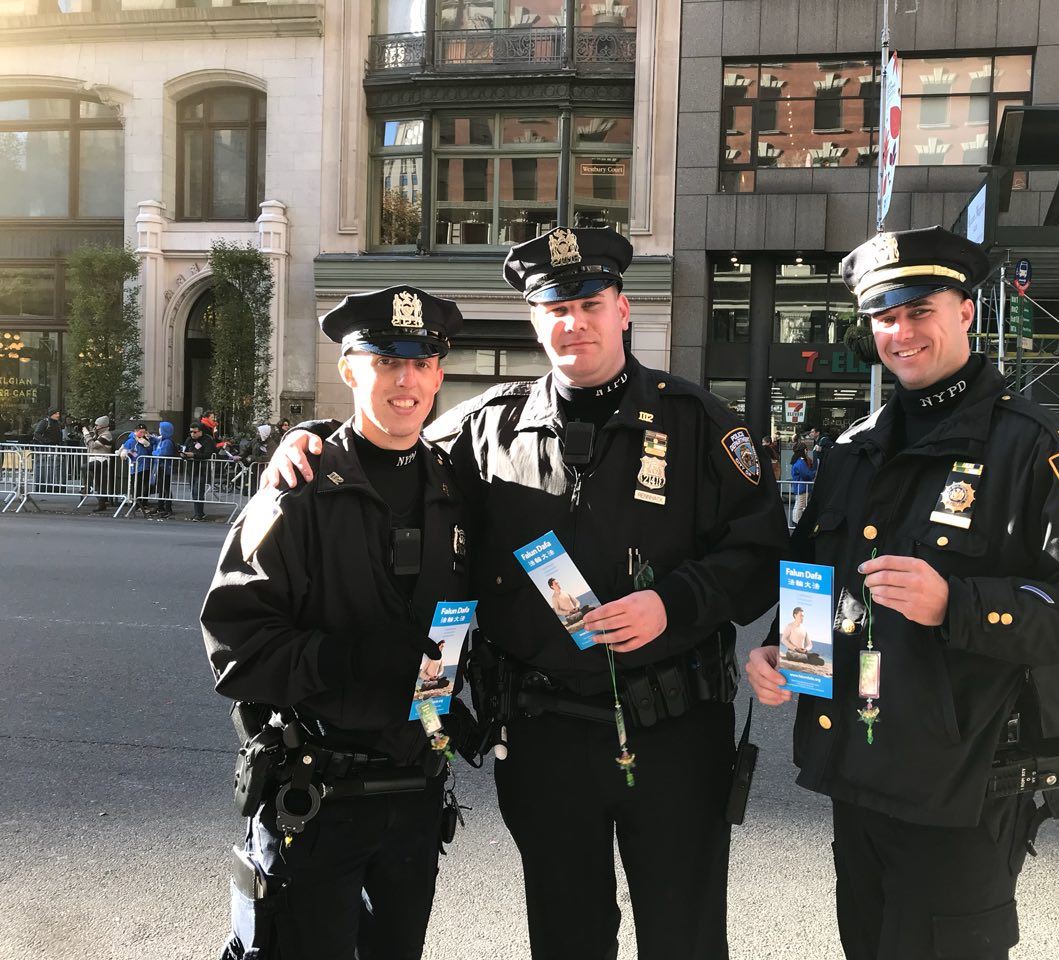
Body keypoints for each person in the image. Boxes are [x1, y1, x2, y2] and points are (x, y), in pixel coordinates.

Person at [265, 226, 788, 960]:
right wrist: (311, 439)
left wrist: (676, 602)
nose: (575, 323)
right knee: (566, 938)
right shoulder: (487, 427)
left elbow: (760, 553)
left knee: (685, 939)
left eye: (590, 304)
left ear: (623, 309)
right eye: (556, 309)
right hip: (544, 737)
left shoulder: (698, 423)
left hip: (675, 732)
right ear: (535, 322)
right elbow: (391, 447)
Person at [746, 226, 1059, 960]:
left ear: (964, 311)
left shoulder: (1034, 445)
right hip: (857, 771)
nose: (901, 333)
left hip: (963, 790)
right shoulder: (853, 449)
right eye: (884, 317)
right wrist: (783, 648)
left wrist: (956, 604)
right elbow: (815, 576)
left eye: (919, 311)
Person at [200, 285, 469, 960]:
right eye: (386, 361)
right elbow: (235, 648)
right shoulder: (295, 490)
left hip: (414, 796)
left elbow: (468, 619)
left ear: (439, 374)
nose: (406, 381)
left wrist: (453, 705)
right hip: (317, 798)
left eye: (421, 362)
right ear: (350, 370)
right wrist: (352, 659)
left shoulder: (456, 490)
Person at [182, 421, 217, 521]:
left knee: (198, 491)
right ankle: (198, 513)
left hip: (202, 469)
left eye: (195, 432)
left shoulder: (207, 440)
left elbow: (208, 454)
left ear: (201, 432)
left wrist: (194, 455)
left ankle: (199, 514)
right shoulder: (189, 440)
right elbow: (185, 450)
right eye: (191, 432)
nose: (192, 434)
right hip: (191, 469)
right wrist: (183, 454)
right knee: (193, 491)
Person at [146, 421, 179, 519]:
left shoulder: (167, 442)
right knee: (161, 488)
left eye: (160, 428)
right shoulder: (163, 440)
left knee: (165, 488)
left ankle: (168, 509)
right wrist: (150, 437)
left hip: (164, 468)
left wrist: (154, 452)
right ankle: (160, 507)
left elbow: (162, 453)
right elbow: (156, 440)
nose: (159, 430)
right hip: (161, 467)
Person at [84, 416, 117, 512]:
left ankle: (86, 487)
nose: (95, 427)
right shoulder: (98, 434)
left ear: (102, 426)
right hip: (95, 459)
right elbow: (88, 444)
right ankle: (101, 504)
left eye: (97, 425)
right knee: (98, 483)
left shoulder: (106, 435)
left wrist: (86, 434)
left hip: (102, 460)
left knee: (85, 468)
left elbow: (93, 445)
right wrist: (89, 435)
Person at [122, 423, 154, 513]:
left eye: (144, 432)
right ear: (135, 431)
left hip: (146, 466)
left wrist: (147, 445)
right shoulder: (130, 441)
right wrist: (126, 453)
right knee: (136, 486)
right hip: (135, 467)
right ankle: (136, 504)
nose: (142, 434)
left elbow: (151, 452)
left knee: (145, 486)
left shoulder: (146, 440)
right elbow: (125, 451)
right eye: (140, 432)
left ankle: (144, 504)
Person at [789, 438, 816, 525]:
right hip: (802, 487)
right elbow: (807, 474)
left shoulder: (797, 460)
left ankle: (795, 520)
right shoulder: (800, 461)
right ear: (804, 450)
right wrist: (814, 473)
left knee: (798, 504)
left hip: (799, 486)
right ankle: (797, 521)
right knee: (800, 505)